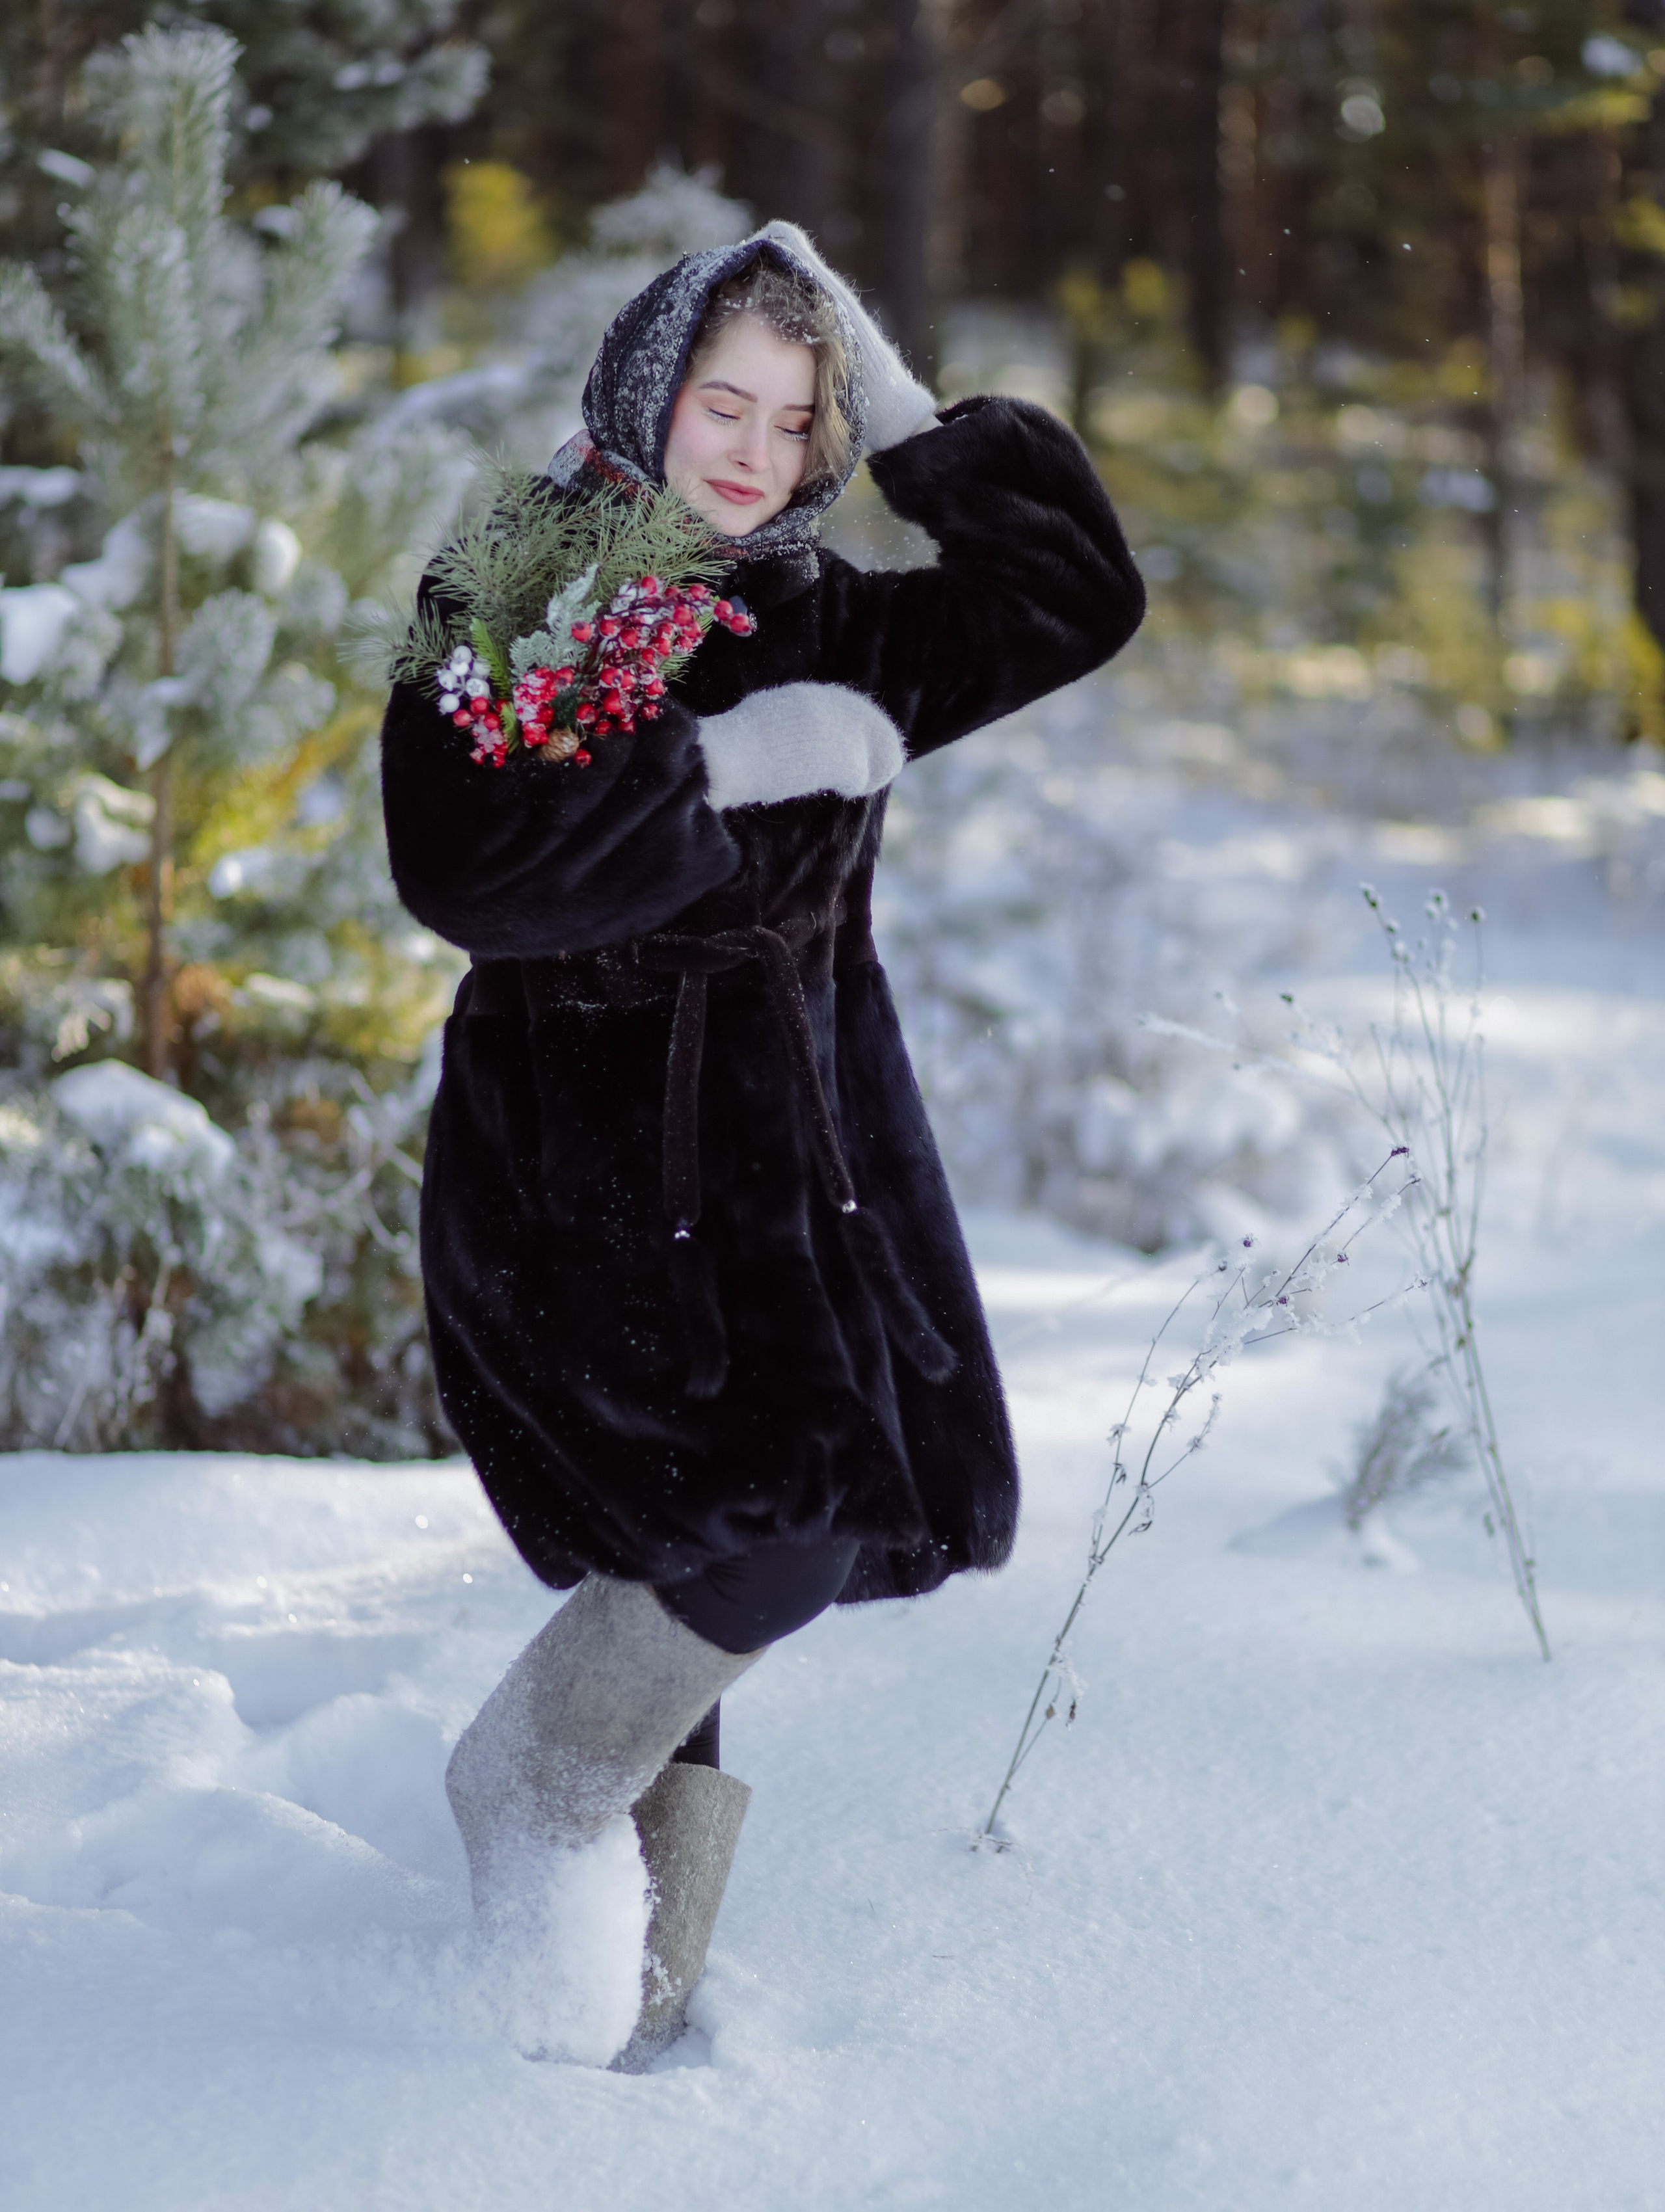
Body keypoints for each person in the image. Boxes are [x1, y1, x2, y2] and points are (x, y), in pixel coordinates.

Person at [380, 221, 1145, 2068]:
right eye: (723, 401)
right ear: (651, 388)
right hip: (582, 1169)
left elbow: (1074, 596)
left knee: (703, 1543)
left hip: (800, 1169)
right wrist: (725, 771)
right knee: (761, 1532)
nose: (754, 449)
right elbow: (466, 867)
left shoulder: (829, 611)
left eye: (799, 418)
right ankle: (526, 1790)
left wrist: (907, 414)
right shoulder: (523, 574)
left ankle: (618, 2015)